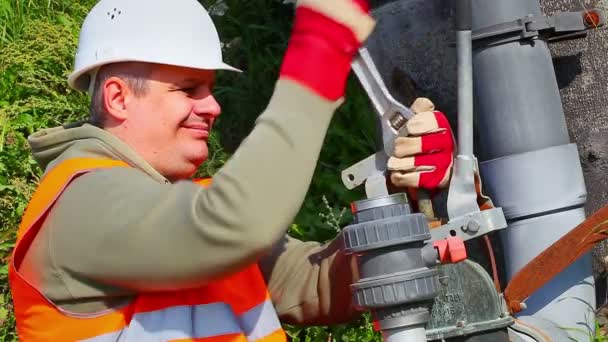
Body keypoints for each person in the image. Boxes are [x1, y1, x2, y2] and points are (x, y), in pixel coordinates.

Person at [8, 0, 454, 340]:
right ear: (118, 98)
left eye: (211, 88)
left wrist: (406, 207)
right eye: (189, 89)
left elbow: (313, 281)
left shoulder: (169, 207)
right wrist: (320, 56)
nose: (213, 106)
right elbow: (234, 224)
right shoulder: (80, 206)